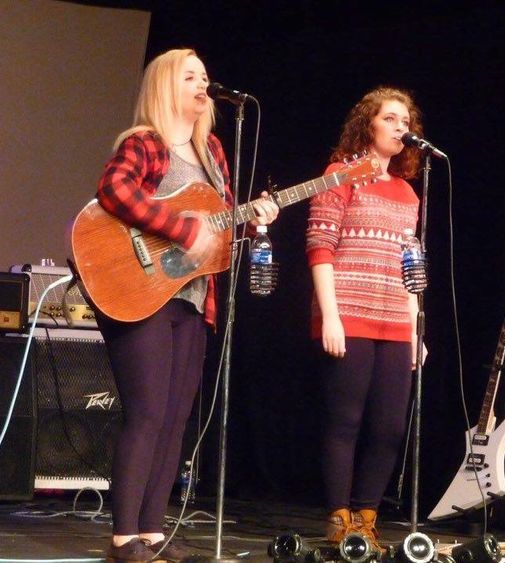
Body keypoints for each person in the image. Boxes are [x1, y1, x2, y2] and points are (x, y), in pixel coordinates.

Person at [94, 48, 279, 562]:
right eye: (191, 77)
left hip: (194, 298)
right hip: (142, 293)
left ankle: (151, 532)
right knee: (147, 413)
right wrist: (179, 228)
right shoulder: (145, 144)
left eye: (206, 77)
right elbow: (114, 189)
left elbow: (215, 227)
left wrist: (253, 217)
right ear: (165, 86)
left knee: (176, 418)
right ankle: (122, 538)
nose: (203, 85)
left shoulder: (213, 151)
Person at [305, 86, 427, 549]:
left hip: (395, 319)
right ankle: (339, 520)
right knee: (345, 421)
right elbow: (320, 247)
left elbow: (411, 266)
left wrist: (417, 327)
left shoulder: (409, 194)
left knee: (391, 426)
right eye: (391, 119)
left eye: (405, 121)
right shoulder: (339, 175)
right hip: (349, 314)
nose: (402, 128)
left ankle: (366, 519)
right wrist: (330, 317)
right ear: (368, 126)